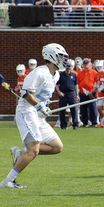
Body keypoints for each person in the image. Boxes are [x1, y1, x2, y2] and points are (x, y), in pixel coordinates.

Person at [0, 43, 68, 188]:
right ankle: (7, 181)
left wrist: (45, 106)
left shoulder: (56, 75)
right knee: (34, 150)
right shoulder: (40, 72)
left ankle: (21, 152)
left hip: (38, 114)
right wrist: (38, 106)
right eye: (61, 57)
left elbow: (43, 96)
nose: (63, 60)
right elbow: (24, 93)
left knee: (57, 146)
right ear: (51, 56)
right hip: (27, 112)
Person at [55, 59, 80, 130]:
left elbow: (76, 85)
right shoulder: (61, 75)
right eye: (67, 66)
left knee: (74, 109)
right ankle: (63, 125)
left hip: (72, 93)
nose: (68, 67)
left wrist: (77, 94)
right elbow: (56, 85)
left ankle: (75, 124)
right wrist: (59, 92)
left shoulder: (74, 75)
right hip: (63, 94)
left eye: (70, 66)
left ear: (72, 67)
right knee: (62, 110)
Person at [77, 58, 98, 127]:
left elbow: (96, 82)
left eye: (87, 64)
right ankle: (85, 122)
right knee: (83, 108)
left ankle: (93, 122)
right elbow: (78, 83)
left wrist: (94, 91)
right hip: (83, 93)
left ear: (89, 64)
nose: (86, 66)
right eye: (85, 64)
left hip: (91, 92)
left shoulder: (94, 72)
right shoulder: (79, 73)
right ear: (83, 65)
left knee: (93, 108)